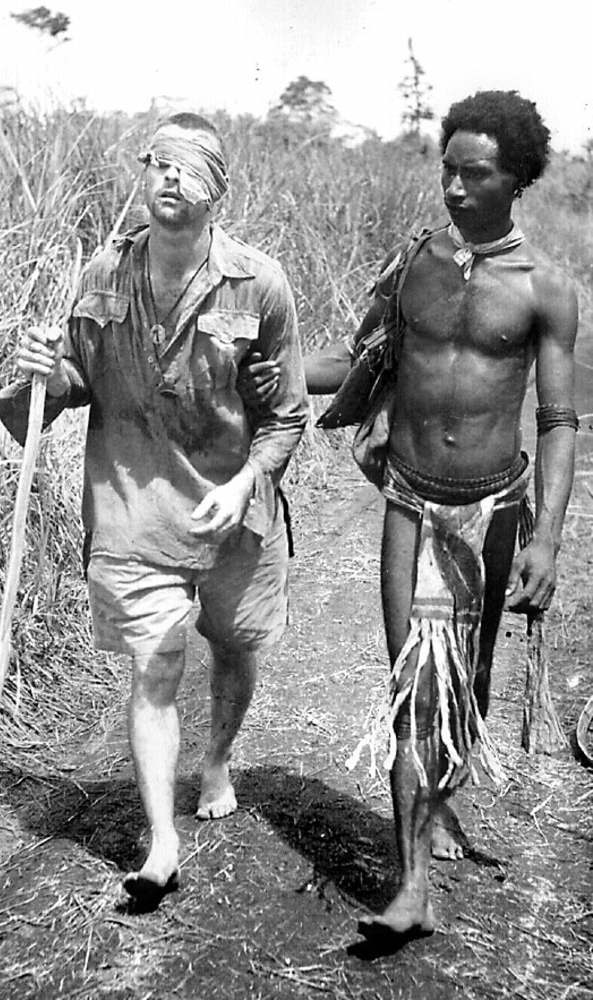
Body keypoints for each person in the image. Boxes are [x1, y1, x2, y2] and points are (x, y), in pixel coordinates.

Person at [243, 90, 579, 941]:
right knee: (411, 692)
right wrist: (263, 370)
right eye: (448, 171)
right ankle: (413, 887)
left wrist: (547, 537)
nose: (455, 189)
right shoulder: (412, 267)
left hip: (496, 509)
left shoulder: (546, 290)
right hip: (411, 500)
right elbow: (352, 364)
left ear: (517, 180)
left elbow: (557, 421)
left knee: (470, 680)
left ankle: (441, 805)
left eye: (476, 175)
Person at [0, 112, 308, 910]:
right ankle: (162, 839)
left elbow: (288, 415)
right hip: (136, 507)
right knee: (155, 668)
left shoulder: (260, 284)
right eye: (158, 163)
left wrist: (248, 482)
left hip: (233, 508)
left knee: (234, 648)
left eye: (190, 165)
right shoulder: (102, 275)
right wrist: (39, 372)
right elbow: (59, 396)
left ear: (219, 188)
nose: (170, 177)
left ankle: (217, 759)